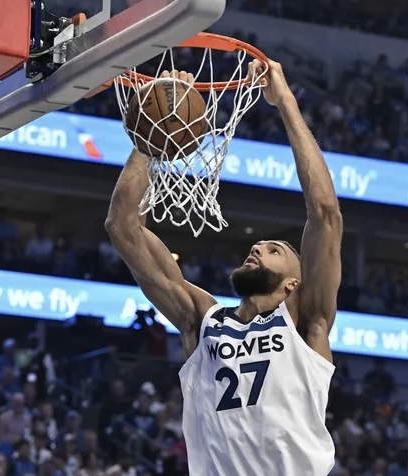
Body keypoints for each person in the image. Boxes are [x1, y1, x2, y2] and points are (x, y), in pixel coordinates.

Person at [105, 60, 343, 476]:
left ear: (294, 282)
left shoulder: (307, 323)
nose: (258, 246)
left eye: (274, 250)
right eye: (260, 244)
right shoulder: (203, 319)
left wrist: (284, 100)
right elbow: (122, 228)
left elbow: (324, 213)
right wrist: (153, 134)